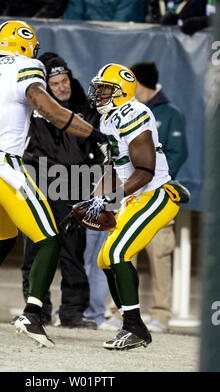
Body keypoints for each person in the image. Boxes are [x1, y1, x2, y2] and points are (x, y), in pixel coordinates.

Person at [0, 20, 106, 348]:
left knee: (1, 239)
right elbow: (51, 110)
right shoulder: (26, 67)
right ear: (25, 44)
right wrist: (94, 133)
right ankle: (33, 314)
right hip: (3, 167)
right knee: (51, 238)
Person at [64, 63, 190, 350]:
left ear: (122, 91)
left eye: (105, 89)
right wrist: (92, 202)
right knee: (105, 259)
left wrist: (109, 200)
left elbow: (145, 170)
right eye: (98, 88)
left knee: (118, 252)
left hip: (156, 195)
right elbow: (114, 168)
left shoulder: (134, 113)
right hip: (135, 198)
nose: (98, 94)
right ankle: (132, 324)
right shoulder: (109, 119)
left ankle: (134, 327)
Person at [20, 52, 102, 329]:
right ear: (45, 87)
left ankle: (73, 313)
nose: (62, 86)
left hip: (75, 188)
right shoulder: (30, 109)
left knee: (73, 254)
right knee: (35, 251)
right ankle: (36, 311)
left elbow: (100, 152)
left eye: (65, 80)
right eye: (54, 84)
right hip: (39, 188)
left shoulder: (88, 111)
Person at [129, 61, 188, 333]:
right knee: (123, 250)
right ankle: (119, 311)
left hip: (161, 196)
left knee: (160, 253)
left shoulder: (172, 113)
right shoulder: (127, 111)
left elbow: (178, 152)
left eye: (132, 82)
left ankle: (161, 315)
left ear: (141, 83)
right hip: (131, 194)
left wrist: (155, 178)